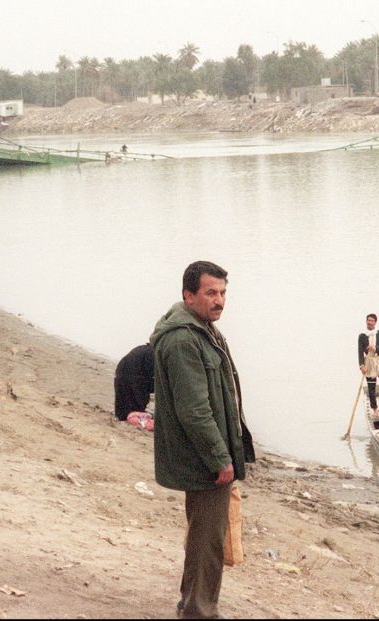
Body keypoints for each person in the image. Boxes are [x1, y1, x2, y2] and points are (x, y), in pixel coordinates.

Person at [150, 261, 254, 619]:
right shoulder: (182, 339)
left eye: (223, 293)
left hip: (206, 453)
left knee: (203, 535)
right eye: (211, 293)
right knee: (208, 539)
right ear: (188, 295)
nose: (220, 300)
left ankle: (191, 602)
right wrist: (219, 458)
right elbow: (194, 410)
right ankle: (199, 611)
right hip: (202, 458)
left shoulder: (202, 329)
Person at [114, 343, 155, 421]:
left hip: (123, 371)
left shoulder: (144, 350)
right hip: (135, 375)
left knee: (123, 412)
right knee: (134, 413)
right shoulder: (152, 354)